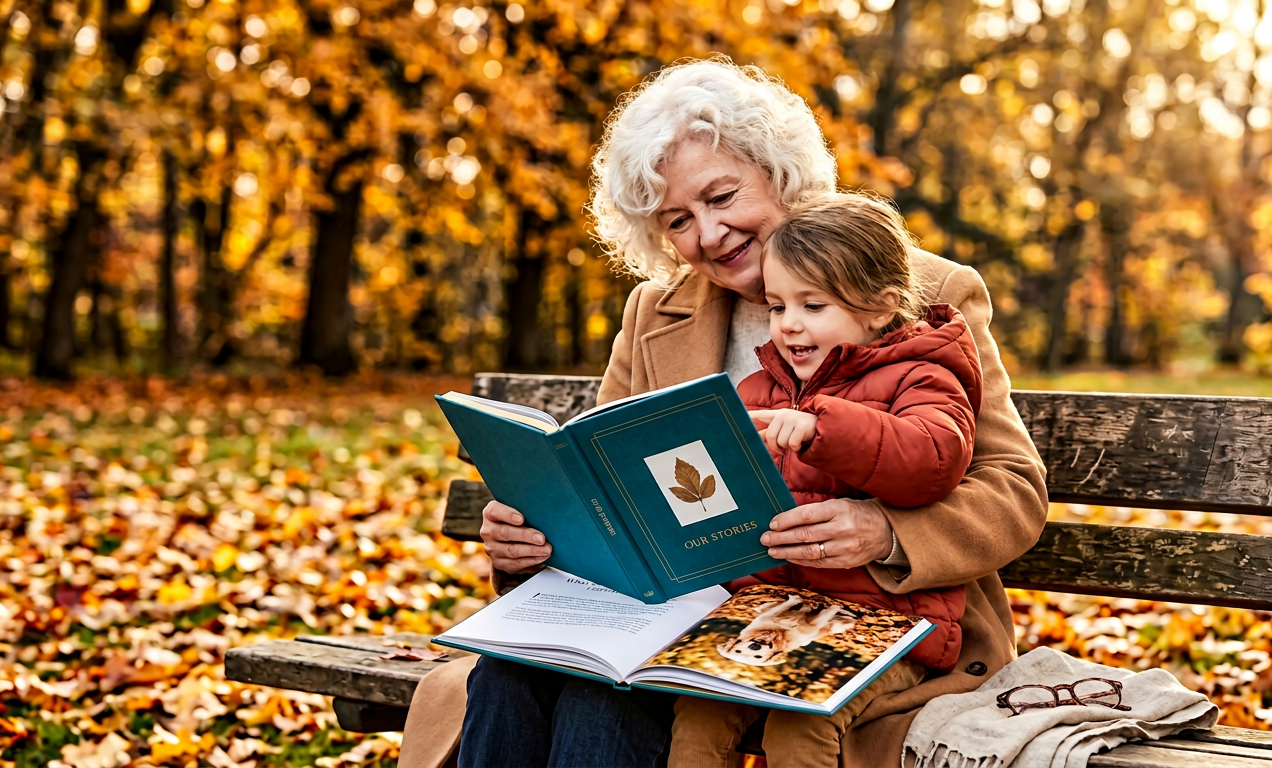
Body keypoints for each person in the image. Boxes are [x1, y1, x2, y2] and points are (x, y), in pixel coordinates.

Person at [395, 57, 1048, 768]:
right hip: (674, 613)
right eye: (678, 219)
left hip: (864, 625)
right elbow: (601, 479)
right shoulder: (654, 313)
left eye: (722, 195)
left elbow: (1012, 490)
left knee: (605, 698)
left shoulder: (920, 289)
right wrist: (535, 535)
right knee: (508, 674)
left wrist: (884, 531)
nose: (708, 233)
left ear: (781, 173)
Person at [669, 192, 980, 767]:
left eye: (812, 306)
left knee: (800, 721)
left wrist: (821, 429)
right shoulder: (760, 391)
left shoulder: (922, 376)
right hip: (769, 614)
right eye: (777, 306)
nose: (789, 326)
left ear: (881, 306)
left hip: (886, 624)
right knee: (701, 706)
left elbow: (932, 459)